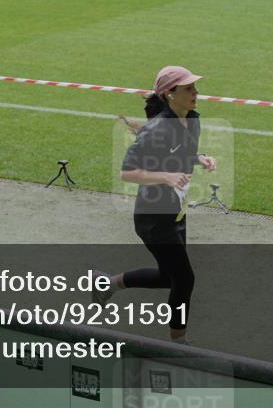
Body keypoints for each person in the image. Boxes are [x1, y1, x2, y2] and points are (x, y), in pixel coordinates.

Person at [94, 66, 216, 344]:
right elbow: (127, 172)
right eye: (188, 88)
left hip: (176, 212)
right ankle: (179, 343)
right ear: (169, 94)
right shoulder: (156, 129)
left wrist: (200, 159)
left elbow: (182, 152)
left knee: (169, 277)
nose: (195, 92)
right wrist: (166, 177)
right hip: (154, 218)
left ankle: (107, 284)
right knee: (184, 279)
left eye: (195, 87)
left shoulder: (191, 119)